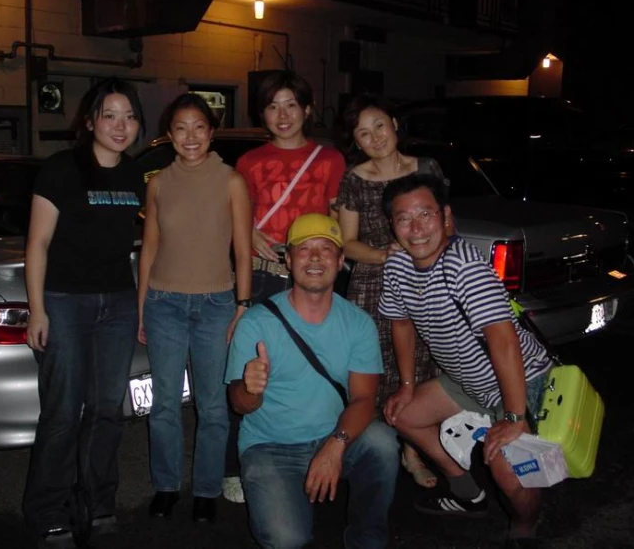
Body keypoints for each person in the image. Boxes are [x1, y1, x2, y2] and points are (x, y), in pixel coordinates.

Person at [377, 173, 553, 548]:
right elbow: (401, 324)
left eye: (425, 214)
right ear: (392, 225)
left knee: (507, 471)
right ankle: (467, 492)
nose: (416, 227)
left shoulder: (464, 266)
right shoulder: (396, 268)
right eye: (403, 218)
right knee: (402, 415)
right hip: (468, 380)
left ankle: (526, 525)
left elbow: (504, 343)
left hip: (521, 380)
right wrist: (407, 386)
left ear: (445, 216)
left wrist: (514, 418)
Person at [225, 213, 400, 549]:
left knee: (381, 442)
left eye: (326, 249)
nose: (316, 257)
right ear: (288, 260)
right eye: (304, 249)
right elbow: (240, 405)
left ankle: (367, 540)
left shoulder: (359, 324)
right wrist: (250, 388)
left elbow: (364, 400)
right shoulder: (257, 323)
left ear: (340, 260)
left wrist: (336, 445)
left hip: (331, 435)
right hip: (270, 446)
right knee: (287, 538)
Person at [23, 77, 146, 548]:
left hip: (116, 301)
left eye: (129, 116)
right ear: (90, 121)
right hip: (65, 302)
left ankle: (96, 502)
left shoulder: (134, 175)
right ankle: (47, 511)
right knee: (61, 413)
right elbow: (38, 243)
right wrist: (38, 309)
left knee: (106, 411)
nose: (120, 125)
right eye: (110, 115)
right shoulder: (60, 169)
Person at [222, 69, 346, 504]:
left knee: (313, 367)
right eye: (273, 106)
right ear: (263, 114)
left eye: (291, 104)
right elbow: (235, 220)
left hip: (309, 278)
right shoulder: (249, 163)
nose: (282, 114)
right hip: (259, 274)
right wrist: (248, 232)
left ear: (307, 109)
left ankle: (316, 451)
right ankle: (236, 463)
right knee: (248, 368)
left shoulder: (329, 160)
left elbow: (336, 220)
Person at [137, 92, 252, 523]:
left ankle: (205, 490)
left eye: (199, 127)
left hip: (215, 303)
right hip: (163, 302)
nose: (190, 136)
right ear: (169, 135)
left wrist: (242, 304)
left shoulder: (231, 181)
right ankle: (165, 487)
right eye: (181, 128)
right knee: (164, 404)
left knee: (212, 405)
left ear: (211, 132)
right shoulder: (158, 183)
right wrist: (142, 308)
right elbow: (149, 249)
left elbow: (242, 249)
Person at [335, 93, 443, 489]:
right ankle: (377, 450)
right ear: (357, 143)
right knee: (376, 370)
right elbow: (347, 243)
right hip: (373, 284)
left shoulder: (427, 168)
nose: (374, 137)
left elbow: (447, 225)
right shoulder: (354, 178)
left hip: (424, 280)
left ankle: (414, 450)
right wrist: (387, 253)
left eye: (379, 125)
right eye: (363, 133)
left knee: (422, 365)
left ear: (395, 124)